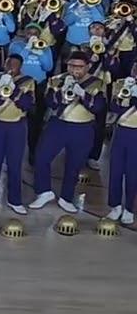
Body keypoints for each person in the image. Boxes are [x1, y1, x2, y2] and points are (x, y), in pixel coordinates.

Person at [30, 51, 104, 213]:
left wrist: (82, 93)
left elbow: (97, 107)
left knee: (74, 164)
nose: (74, 70)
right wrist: (62, 90)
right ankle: (44, 192)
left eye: (79, 67)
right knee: (41, 156)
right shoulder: (56, 80)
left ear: (88, 67)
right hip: (58, 124)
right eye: (71, 66)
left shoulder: (96, 83)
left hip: (83, 128)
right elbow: (50, 102)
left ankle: (66, 197)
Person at [0, 53, 33, 213]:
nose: (11, 66)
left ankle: (15, 199)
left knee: (15, 163)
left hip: (17, 125)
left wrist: (13, 88)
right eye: (9, 63)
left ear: (21, 66)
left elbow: (26, 104)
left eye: (15, 64)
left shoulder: (28, 81)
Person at [108, 63, 137, 224]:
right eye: (135, 69)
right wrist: (123, 96)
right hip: (121, 131)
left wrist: (134, 97)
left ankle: (129, 209)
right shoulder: (121, 83)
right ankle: (115, 206)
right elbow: (113, 107)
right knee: (116, 170)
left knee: (133, 173)